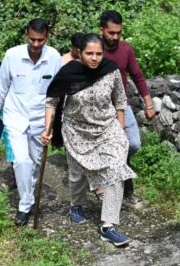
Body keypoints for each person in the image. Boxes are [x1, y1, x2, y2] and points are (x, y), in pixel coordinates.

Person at [42, 33, 135, 247]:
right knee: (77, 175)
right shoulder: (69, 72)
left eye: (98, 54)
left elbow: (120, 100)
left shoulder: (110, 70)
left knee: (116, 170)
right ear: (80, 53)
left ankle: (108, 226)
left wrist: (120, 129)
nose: (94, 58)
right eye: (89, 53)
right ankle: (76, 204)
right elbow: (51, 102)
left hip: (107, 129)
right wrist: (47, 129)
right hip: (77, 131)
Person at [0, 18, 61, 226]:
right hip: (15, 115)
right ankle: (25, 205)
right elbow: (2, 86)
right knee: (22, 161)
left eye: (40, 40)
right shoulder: (12, 55)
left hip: (41, 117)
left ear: (47, 37)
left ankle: (29, 196)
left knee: (36, 163)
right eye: (32, 39)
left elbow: (56, 92)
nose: (36, 44)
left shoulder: (54, 57)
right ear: (26, 35)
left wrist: (53, 123)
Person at [99, 10, 155, 202]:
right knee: (112, 147)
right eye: (111, 33)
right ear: (101, 30)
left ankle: (116, 174)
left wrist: (149, 103)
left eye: (118, 33)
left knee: (133, 144)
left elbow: (137, 76)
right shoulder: (94, 50)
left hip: (123, 105)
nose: (115, 37)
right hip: (101, 109)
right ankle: (120, 190)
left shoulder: (126, 49)